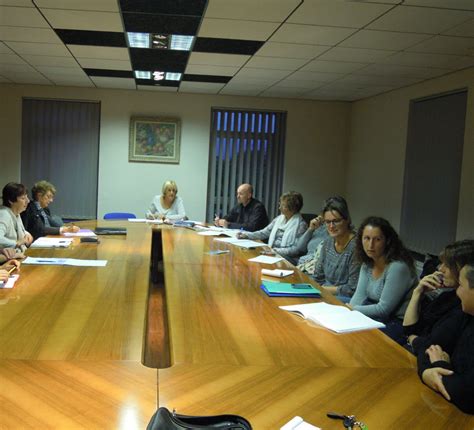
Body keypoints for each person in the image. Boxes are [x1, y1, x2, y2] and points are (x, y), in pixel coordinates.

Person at [413, 263, 474, 414]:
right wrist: (427, 372)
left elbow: (468, 398)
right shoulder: (465, 315)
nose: (457, 292)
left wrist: (440, 365)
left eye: (460, 285)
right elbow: (428, 348)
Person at [349, 217, 418, 342]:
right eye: (367, 238)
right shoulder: (367, 263)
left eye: (377, 239)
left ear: (387, 241)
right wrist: (349, 311)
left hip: (396, 322)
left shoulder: (398, 267)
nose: (371, 245)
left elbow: (384, 309)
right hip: (373, 312)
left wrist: (352, 309)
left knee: (360, 338)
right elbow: (359, 297)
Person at [404, 240, 474, 350]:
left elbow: (432, 346)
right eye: (442, 263)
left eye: (448, 265)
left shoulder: (464, 309)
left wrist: (412, 339)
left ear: (464, 269)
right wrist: (417, 293)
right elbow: (409, 329)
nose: (440, 269)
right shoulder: (447, 296)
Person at [312, 196, 360, 302]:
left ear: (347, 220)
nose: (331, 226)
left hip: (345, 299)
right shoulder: (328, 242)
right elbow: (317, 277)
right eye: (327, 222)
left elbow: (352, 289)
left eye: (336, 221)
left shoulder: (356, 247)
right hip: (324, 292)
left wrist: (323, 290)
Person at [238, 191, 306, 264]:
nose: (279, 208)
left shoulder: (301, 225)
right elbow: (264, 232)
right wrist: (247, 235)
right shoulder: (279, 219)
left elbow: (296, 250)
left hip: (287, 258)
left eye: (283, 206)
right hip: (271, 253)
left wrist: (275, 251)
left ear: (292, 208)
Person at [0, 183, 33, 251]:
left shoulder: (16, 213)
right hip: (10, 259)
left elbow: (15, 231)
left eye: (27, 197)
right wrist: (16, 243)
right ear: (11, 200)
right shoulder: (4, 214)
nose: (28, 201)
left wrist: (26, 234)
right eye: (23, 198)